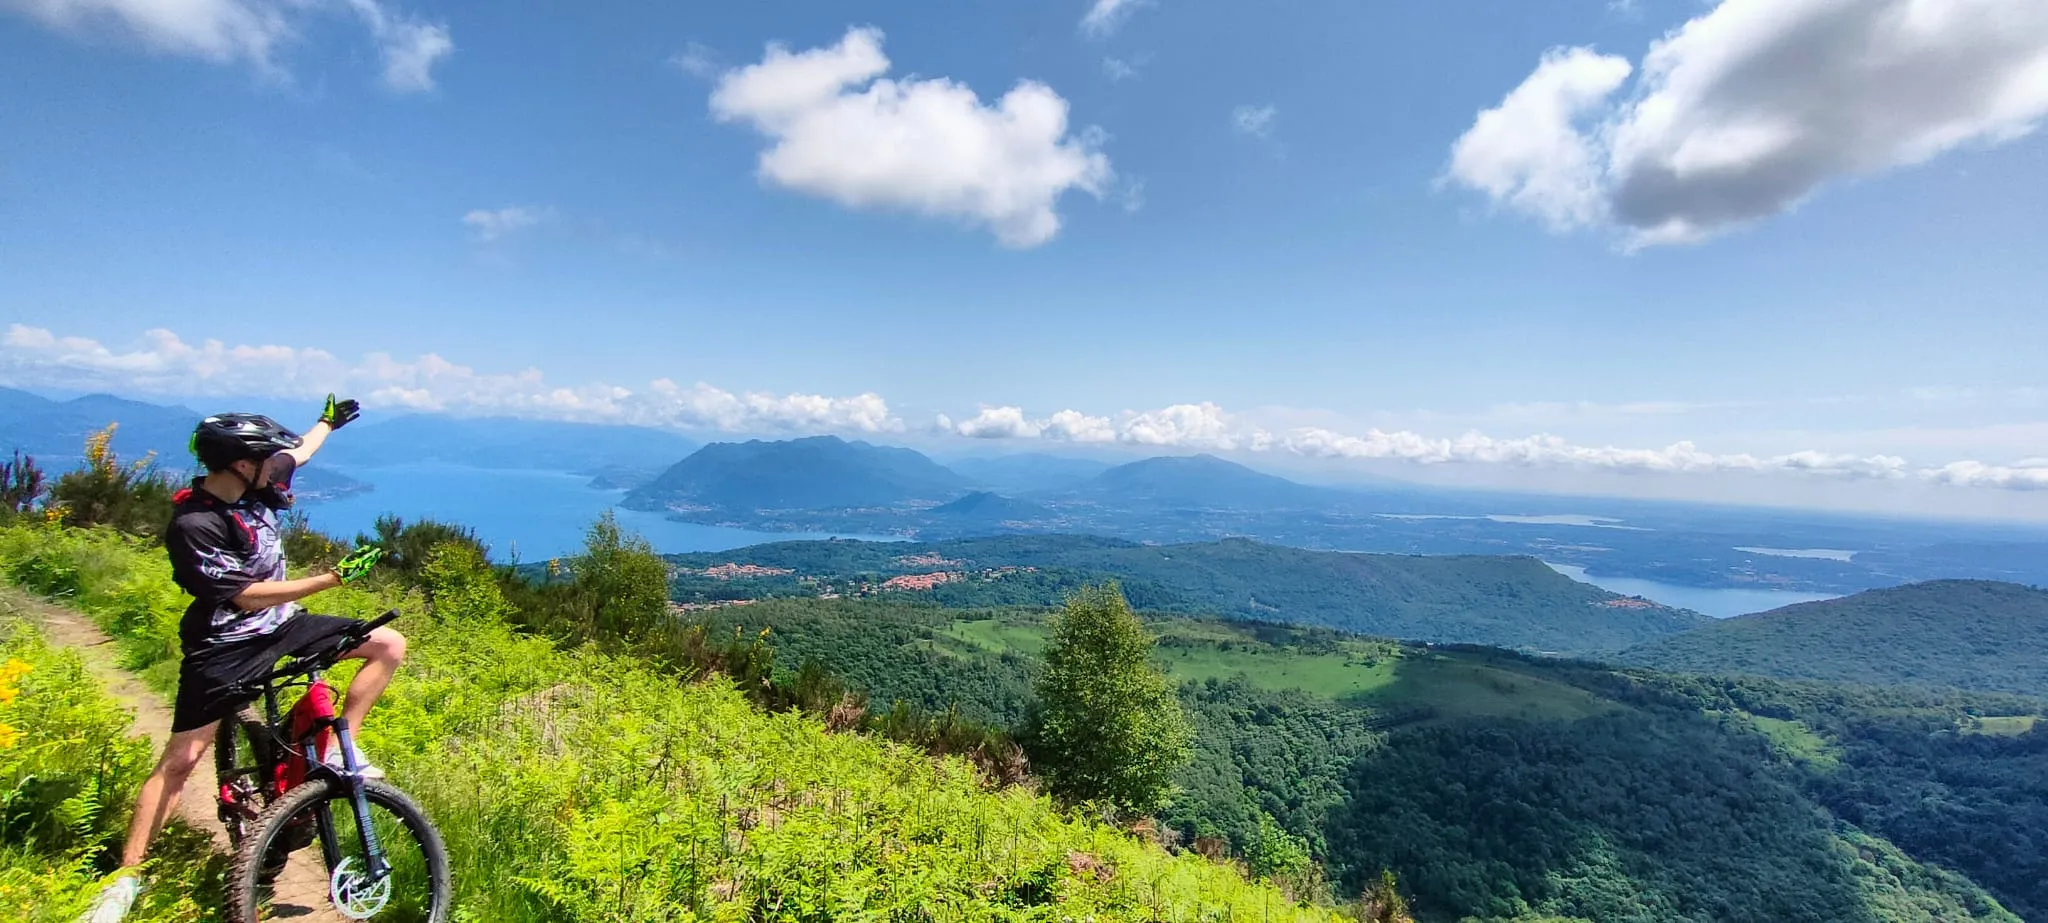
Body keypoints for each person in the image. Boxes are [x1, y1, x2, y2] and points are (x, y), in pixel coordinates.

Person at [84, 395, 399, 921]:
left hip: (284, 626)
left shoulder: (259, 481)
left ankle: (344, 747)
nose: (274, 469)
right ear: (240, 463)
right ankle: (125, 879)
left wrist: (326, 423)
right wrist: (333, 579)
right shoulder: (193, 525)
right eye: (263, 459)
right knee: (182, 761)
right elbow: (245, 595)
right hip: (224, 644)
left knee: (387, 644)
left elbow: (297, 453)